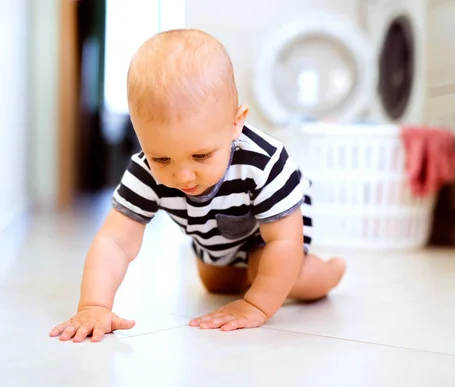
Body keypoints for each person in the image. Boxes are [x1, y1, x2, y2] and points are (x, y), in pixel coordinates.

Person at [50, 29, 346, 343]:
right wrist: (94, 305)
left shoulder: (264, 163)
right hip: (217, 234)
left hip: (275, 230)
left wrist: (255, 306)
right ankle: (238, 269)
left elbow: (283, 241)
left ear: (236, 123)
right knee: (216, 281)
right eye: (162, 158)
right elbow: (114, 241)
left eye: (201, 155)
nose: (184, 177)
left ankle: (326, 272)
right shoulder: (145, 171)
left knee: (268, 270)